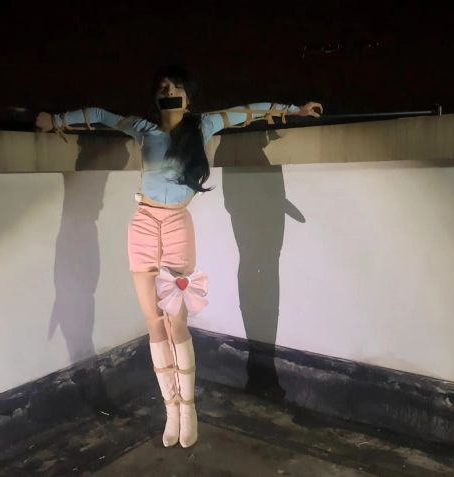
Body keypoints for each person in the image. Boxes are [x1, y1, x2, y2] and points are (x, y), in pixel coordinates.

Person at [36, 65, 322, 448]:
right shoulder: (143, 129)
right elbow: (102, 115)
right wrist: (55, 120)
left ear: (188, 96)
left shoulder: (202, 127)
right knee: (154, 323)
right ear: (155, 98)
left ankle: (188, 410)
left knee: (176, 322)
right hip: (142, 225)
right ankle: (170, 410)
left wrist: (294, 110)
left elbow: (246, 112)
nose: (168, 92)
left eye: (175, 88)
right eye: (162, 88)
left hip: (176, 226)